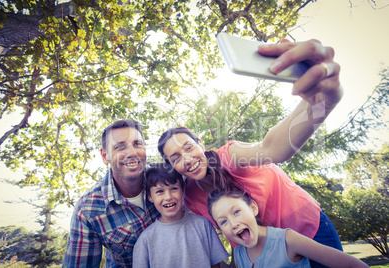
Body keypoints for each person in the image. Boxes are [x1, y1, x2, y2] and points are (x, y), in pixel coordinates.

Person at [157, 39, 344, 267]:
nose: (186, 159)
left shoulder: (230, 155)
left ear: (200, 144)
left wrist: (319, 104)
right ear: (171, 166)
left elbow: (272, 148)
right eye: (175, 158)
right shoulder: (189, 196)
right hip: (262, 254)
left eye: (188, 147)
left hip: (308, 230)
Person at [63, 119, 160, 267]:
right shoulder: (88, 210)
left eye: (137, 144)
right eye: (120, 147)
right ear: (105, 156)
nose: (132, 153)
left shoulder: (168, 178)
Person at [207, 187, 369, 268]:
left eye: (236, 212)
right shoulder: (239, 255)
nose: (233, 224)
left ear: (253, 208)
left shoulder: (287, 240)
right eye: (223, 222)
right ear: (220, 231)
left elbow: (353, 265)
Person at [132, 164, 229, 268]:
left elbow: (216, 264)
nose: (168, 197)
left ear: (183, 190)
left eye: (174, 189)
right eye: (160, 191)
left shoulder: (203, 224)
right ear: (150, 197)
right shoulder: (145, 240)